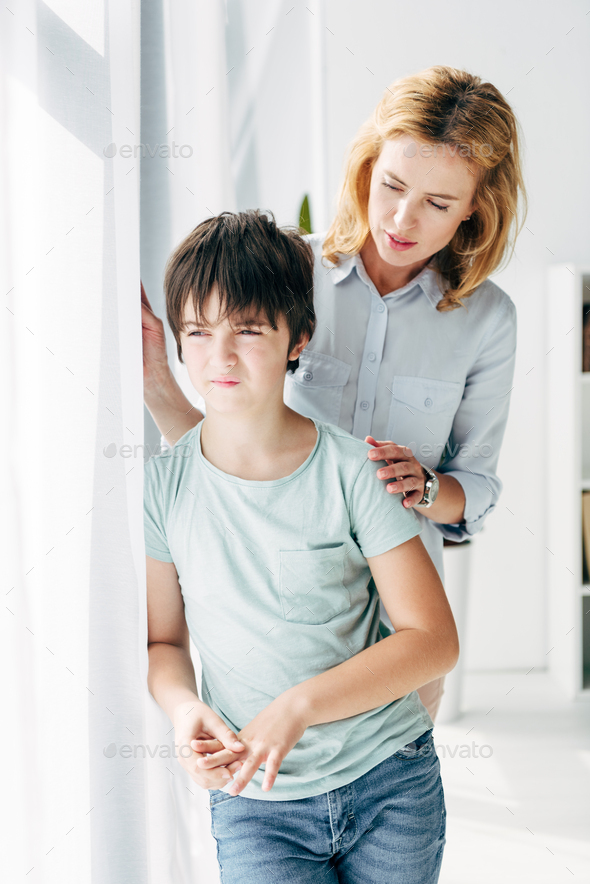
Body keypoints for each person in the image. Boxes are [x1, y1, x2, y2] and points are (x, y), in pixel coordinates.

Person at [142, 65, 527, 721]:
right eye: (393, 185)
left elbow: (478, 490)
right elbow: (225, 453)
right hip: (275, 620)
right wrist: (156, 384)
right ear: (367, 167)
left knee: (392, 807)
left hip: (398, 637)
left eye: (437, 203)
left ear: (475, 209)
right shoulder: (291, 274)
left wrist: (426, 487)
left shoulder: (488, 320)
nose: (403, 218)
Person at [144, 209, 459, 883]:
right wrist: (183, 710)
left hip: (389, 781)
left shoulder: (356, 471)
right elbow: (162, 645)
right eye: (197, 333)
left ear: (299, 337)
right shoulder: (162, 487)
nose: (219, 356)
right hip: (257, 801)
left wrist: (299, 705)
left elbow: (434, 640)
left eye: (248, 330)